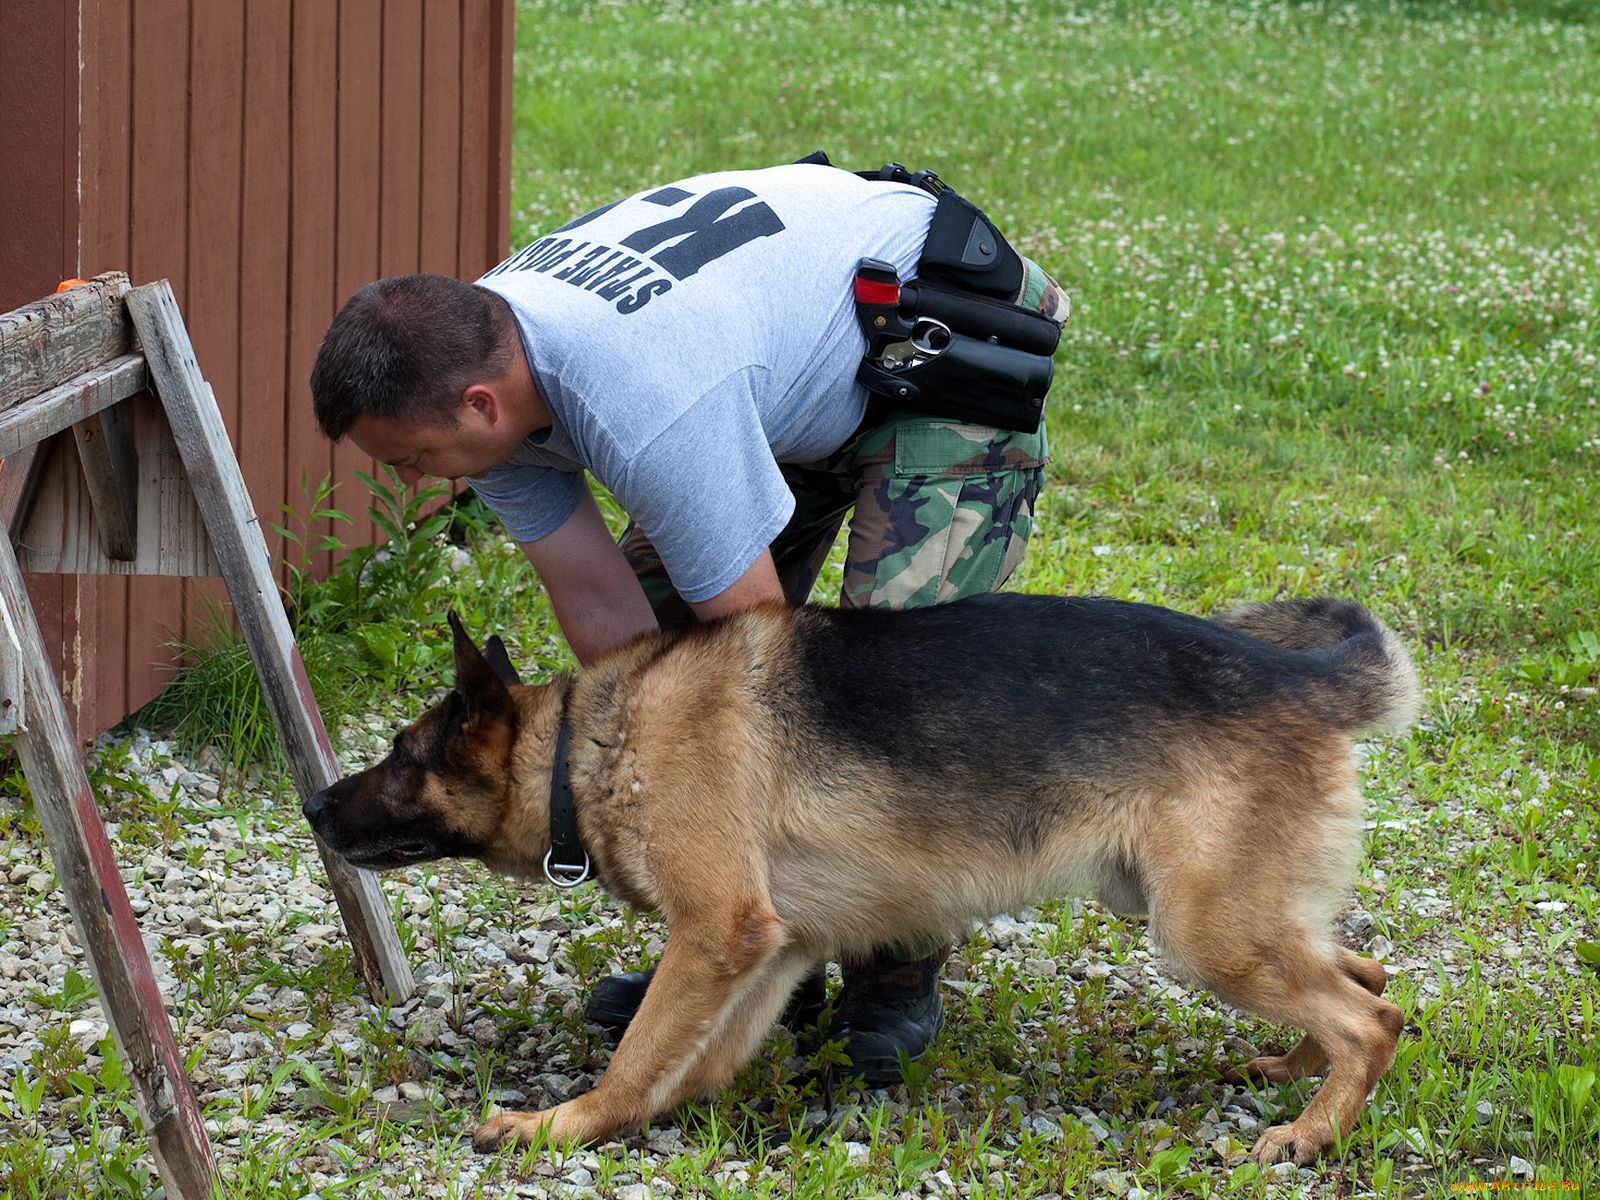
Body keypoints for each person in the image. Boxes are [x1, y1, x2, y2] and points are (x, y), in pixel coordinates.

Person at [310, 159, 1069, 1083]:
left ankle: (887, 975)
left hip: (939, 345)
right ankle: (722, 933)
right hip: (785, 370)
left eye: (413, 459)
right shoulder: (475, 366)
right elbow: (604, 608)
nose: (411, 479)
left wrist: (726, 821)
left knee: (885, 696)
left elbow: (771, 677)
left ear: (480, 405)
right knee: (661, 658)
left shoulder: (644, 400)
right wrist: (693, 862)